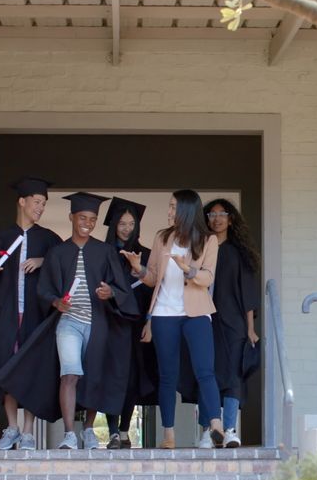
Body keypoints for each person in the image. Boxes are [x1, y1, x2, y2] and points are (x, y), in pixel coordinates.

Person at [27, 191, 140, 449]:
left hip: (98, 323)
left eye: (92, 219)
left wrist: (110, 292)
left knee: (94, 375)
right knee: (70, 374)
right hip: (68, 323)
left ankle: (89, 430)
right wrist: (56, 302)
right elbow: (43, 290)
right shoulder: (57, 253)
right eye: (82, 218)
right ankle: (69, 433)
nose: (87, 223)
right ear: (71, 217)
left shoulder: (105, 252)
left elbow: (121, 288)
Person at [0, 177, 62, 450]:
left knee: (31, 369)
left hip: (35, 316)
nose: (40, 207)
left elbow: (62, 266)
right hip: (7, 315)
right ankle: (12, 427)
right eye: (36, 202)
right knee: (6, 367)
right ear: (22, 202)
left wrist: (43, 261)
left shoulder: (48, 239)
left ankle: (29, 431)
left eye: (43, 203)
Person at [126, 189, 225, 449]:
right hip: (164, 314)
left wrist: (188, 270)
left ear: (186, 210)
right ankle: (168, 434)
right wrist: (139, 269)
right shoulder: (162, 238)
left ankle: (216, 426)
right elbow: (153, 277)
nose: (169, 212)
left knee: (205, 371)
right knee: (167, 375)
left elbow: (207, 278)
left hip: (196, 312)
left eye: (172, 207)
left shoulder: (207, 240)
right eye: (169, 207)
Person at [197, 198, 260, 449]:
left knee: (234, 374)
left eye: (223, 213)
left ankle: (230, 429)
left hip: (233, 321)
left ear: (231, 219)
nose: (217, 218)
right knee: (205, 373)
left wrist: (250, 328)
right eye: (212, 215)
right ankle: (208, 431)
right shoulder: (199, 249)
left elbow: (247, 292)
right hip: (203, 319)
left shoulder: (237, 252)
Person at [102, 197, 158, 449]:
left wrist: (149, 321)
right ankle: (113, 430)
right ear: (114, 224)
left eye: (131, 223)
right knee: (112, 375)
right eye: (122, 223)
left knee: (132, 378)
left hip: (136, 325)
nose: (126, 228)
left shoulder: (145, 255)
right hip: (110, 322)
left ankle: (124, 430)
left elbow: (155, 292)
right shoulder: (103, 253)